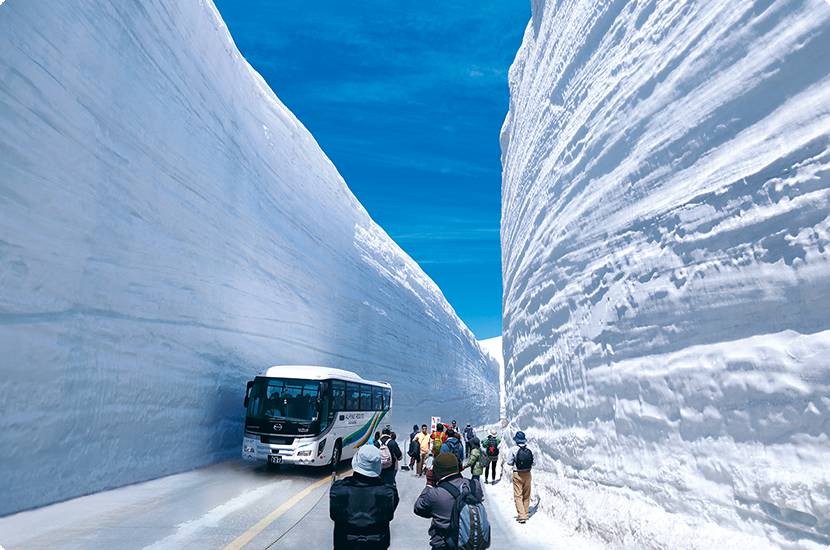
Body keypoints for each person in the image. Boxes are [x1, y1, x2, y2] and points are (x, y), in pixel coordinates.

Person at [330, 444, 399, 549]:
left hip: (345, 544)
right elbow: (389, 514)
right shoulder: (388, 491)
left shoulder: (338, 489)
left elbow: (334, 515)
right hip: (377, 544)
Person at [414, 452, 484, 549]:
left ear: (437, 471)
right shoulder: (474, 485)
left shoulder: (435, 494)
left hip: (444, 544)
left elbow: (419, 509)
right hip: (471, 544)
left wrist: (429, 483)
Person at [507, 431, 534, 523]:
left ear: (516, 440)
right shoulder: (529, 449)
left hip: (517, 473)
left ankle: (521, 515)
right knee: (527, 494)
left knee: (518, 495)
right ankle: (525, 513)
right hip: (528, 473)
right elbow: (534, 462)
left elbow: (509, 462)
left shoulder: (513, 449)